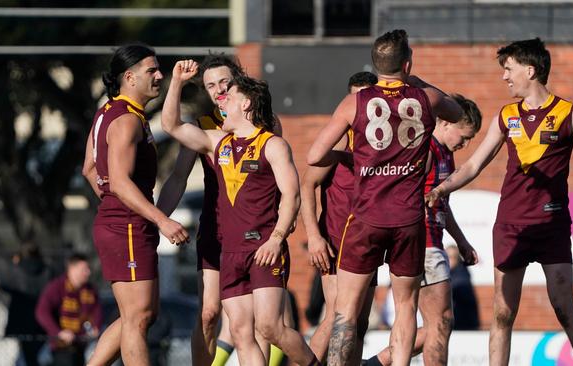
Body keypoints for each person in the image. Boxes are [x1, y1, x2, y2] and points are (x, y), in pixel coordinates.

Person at [426, 38, 573, 366]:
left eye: (509, 69)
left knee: (564, 308)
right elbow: (474, 164)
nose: (504, 77)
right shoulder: (506, 116)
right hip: (511, 226)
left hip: (553, 225)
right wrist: (441, 188)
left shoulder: (570, 114)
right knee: (502, 313)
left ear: (530, 71)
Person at [306, 29, 464, 365]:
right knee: (405, 305)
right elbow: (456, 112)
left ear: (376, 65)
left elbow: (314, 155)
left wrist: (356, 158)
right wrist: (417, 81)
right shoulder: (426, 99)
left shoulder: (355, 102)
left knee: (346, 309)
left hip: (365, 217)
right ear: (407, 63)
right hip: (408, 218)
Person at [161, 60, 319, 366]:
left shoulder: (270, 139)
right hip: (225, 246)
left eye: (227, 88)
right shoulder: (214, 138)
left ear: (244, 100)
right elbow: (172, 127)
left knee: (270, 327)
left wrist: (277, 235)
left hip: (261, 243)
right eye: (211, 87)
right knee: (237, 329)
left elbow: (291, 193)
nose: (220, 95)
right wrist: (177, 83)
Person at [81, 43, 189, 366]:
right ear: (129, 77)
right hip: (125, 225)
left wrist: (117, 205)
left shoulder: (107, 112)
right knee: (138, 318)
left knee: (144, 314)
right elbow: (119, 181)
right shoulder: (126, 120)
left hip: (123, 221)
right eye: (151, 71)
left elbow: (89, 168)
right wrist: (161, 220)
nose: (159, 76)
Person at [365, 94, 482, 366]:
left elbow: (440, 202)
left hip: (433, 241)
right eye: (463, 137)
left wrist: (462, 241)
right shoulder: (426, 150)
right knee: (440, 322)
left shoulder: (446, 155)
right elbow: (403, 196)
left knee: (435, 323)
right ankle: (379, 362)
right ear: (444, 123)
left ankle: (375, 363)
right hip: (423, 242)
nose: (464, 144)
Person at [300, 71, 378, 363]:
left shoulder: (382, 144)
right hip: (336, 239)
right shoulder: (338, 143)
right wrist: (314, 237)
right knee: (337, 315)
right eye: (355, 98)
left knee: (360, 323)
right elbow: (307, 184)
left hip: (369, 241)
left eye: (367, 97)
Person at [35, 253, 102, 366]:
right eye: (84, 269)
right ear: (72, 268)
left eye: (88, 269)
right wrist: (58, 333)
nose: (88, 273)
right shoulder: (57, 287)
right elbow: (41, 311)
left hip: (83, 346)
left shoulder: (90, 290)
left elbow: (97, 311)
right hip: (62, 348)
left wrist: (96, 327)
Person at [0, 243, 53, 366]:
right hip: (40, 325)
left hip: (17, 323)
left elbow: (3, 287)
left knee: (16, 360)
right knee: (35, 359)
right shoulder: (48, 271)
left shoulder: (14, 270)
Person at [446, 245, 480, 331]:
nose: (448, 260)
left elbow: (452, 289)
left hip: (464, 324)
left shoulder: (461, 275)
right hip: (459, 322)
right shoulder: (451, 274)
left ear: (457, 258)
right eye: (446, 256)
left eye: (451, 257)